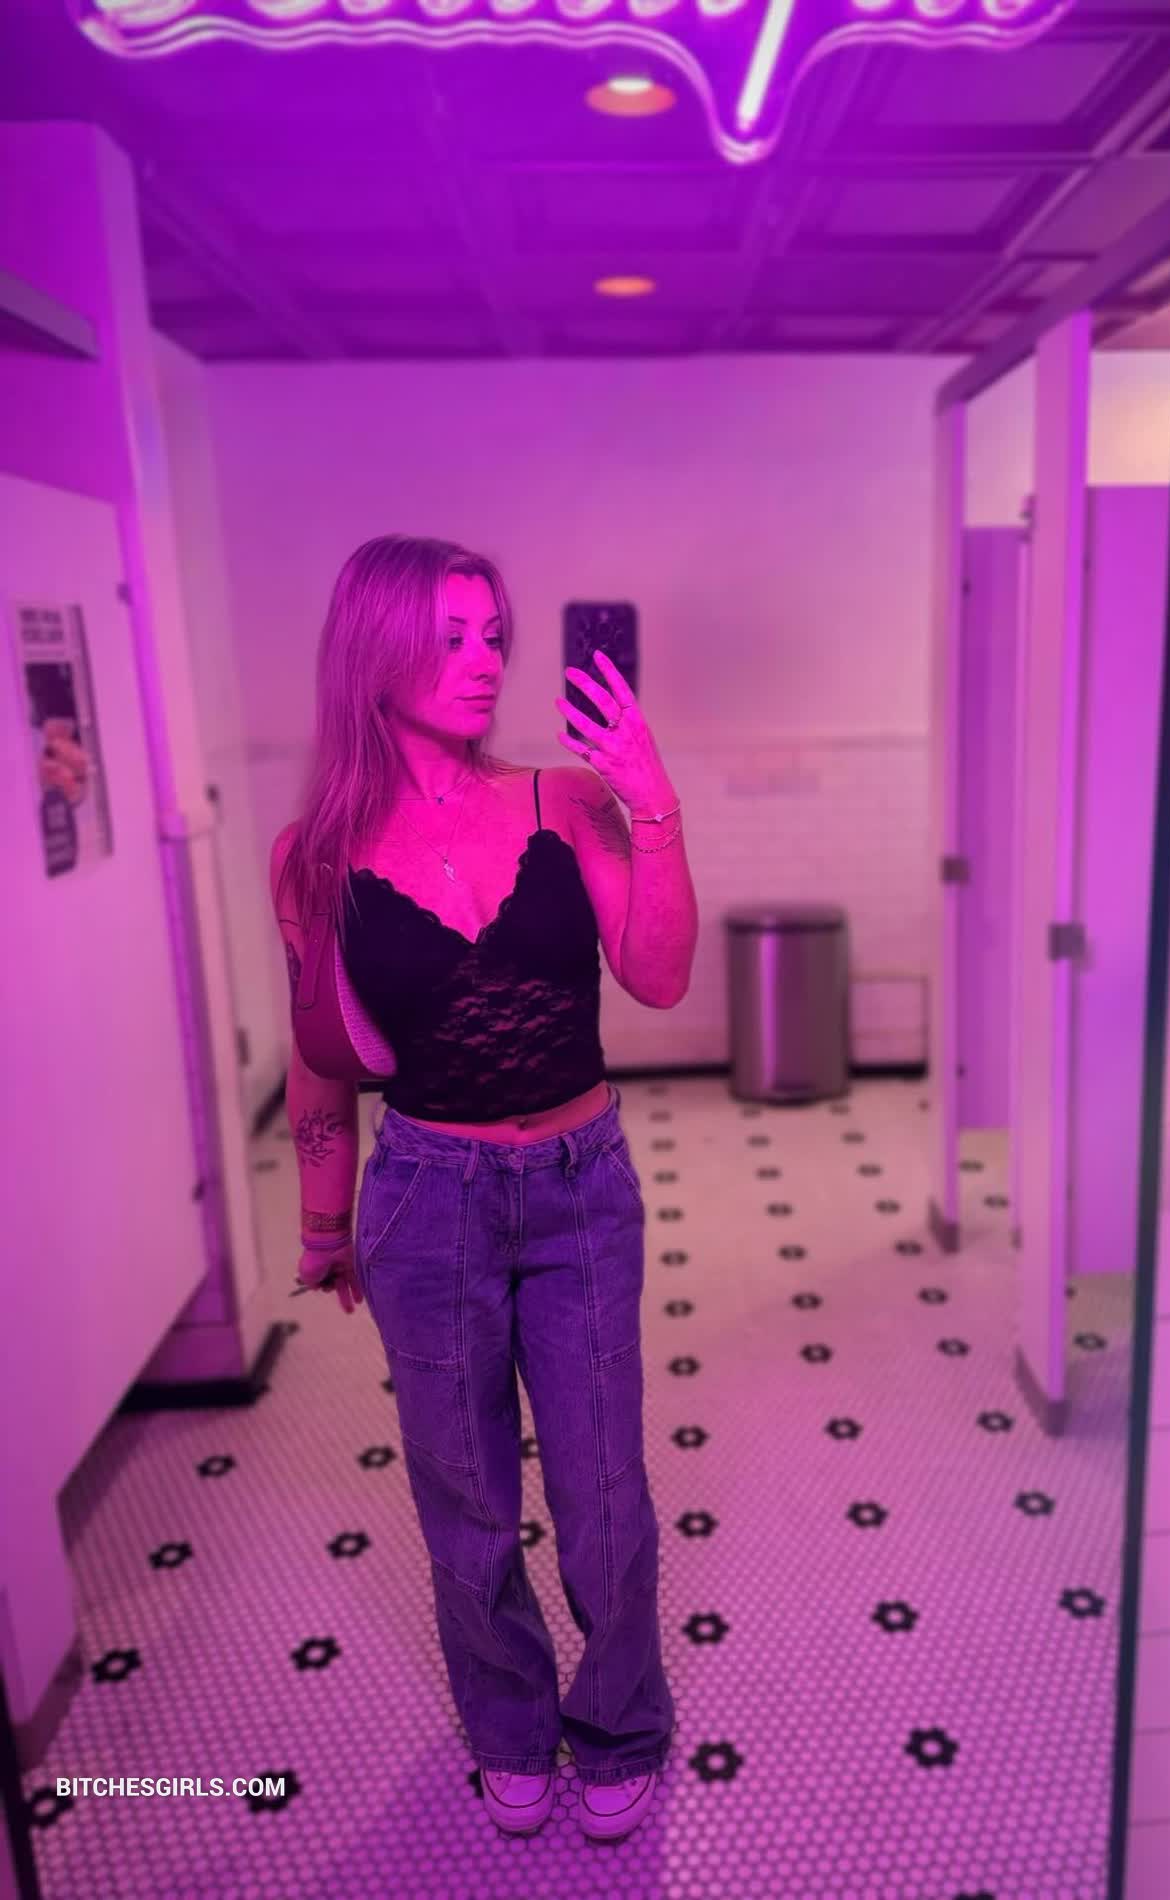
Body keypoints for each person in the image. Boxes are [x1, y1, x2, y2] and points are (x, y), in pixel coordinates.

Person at [268, 535, 696, 1843]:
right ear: (373, 651)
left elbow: (660, 978)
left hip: (578, 1187)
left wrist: (654, 805)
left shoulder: (564, 801)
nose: (486, 660)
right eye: (449, 635)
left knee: (603, 1489)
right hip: (427, 1196)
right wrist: (324, 1225)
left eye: (493, 633)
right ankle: (510, 1724)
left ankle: (618, 1720)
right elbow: (318, 1055)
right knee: (463, 1496)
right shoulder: (312, 854)